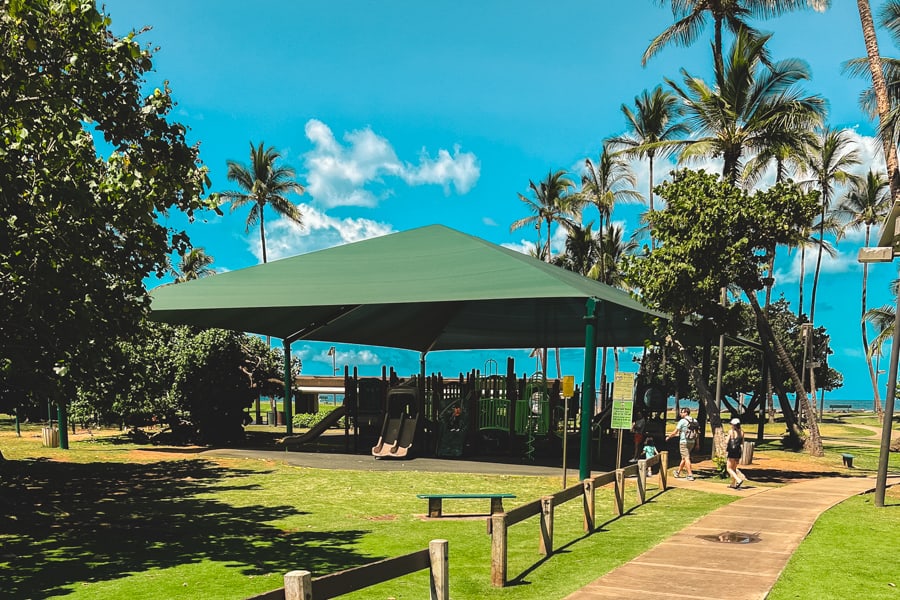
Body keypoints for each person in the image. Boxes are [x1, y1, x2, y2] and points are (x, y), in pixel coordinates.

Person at [666, 407, 696, 480]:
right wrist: (697, 443)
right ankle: (678, 472)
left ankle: (690, 475)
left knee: (686, 458)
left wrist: (669, 437)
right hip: (692, 441)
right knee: (684, 457)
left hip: (684, 441)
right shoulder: (694, 420)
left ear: (686, 413)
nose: (680, 413)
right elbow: (697, 432)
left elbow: (675, 432)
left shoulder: (682, 421)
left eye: (682, 412)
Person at [726, 418, 746, 489]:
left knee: (728, 468)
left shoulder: (731, 432)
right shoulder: (742, 432)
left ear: (734, 425)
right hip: (738, 451)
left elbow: (726, 441)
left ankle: (738, 480)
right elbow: (742, 443)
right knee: (734, 468)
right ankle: (733, 484)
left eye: (731, 424)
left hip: (732, 451)